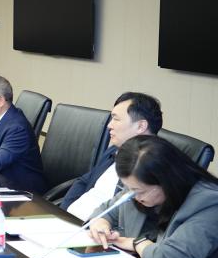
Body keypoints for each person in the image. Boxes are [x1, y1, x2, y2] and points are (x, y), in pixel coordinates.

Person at [89, 135, 218, 258]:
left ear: (166, 181)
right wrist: (101, 224)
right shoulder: (139, 187)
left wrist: (137, 243)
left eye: (138, 191)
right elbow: (106, 210)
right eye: (129, 189)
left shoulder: (209, 203)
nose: (133, 196)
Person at [60, 92, 162, 220]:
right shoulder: (113, 150)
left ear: (141, 126)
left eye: (116, 119)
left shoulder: (152, 167)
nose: (109, 125)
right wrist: (62, 213)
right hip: (69, 220)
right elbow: (84, 181)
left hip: (96, 228)